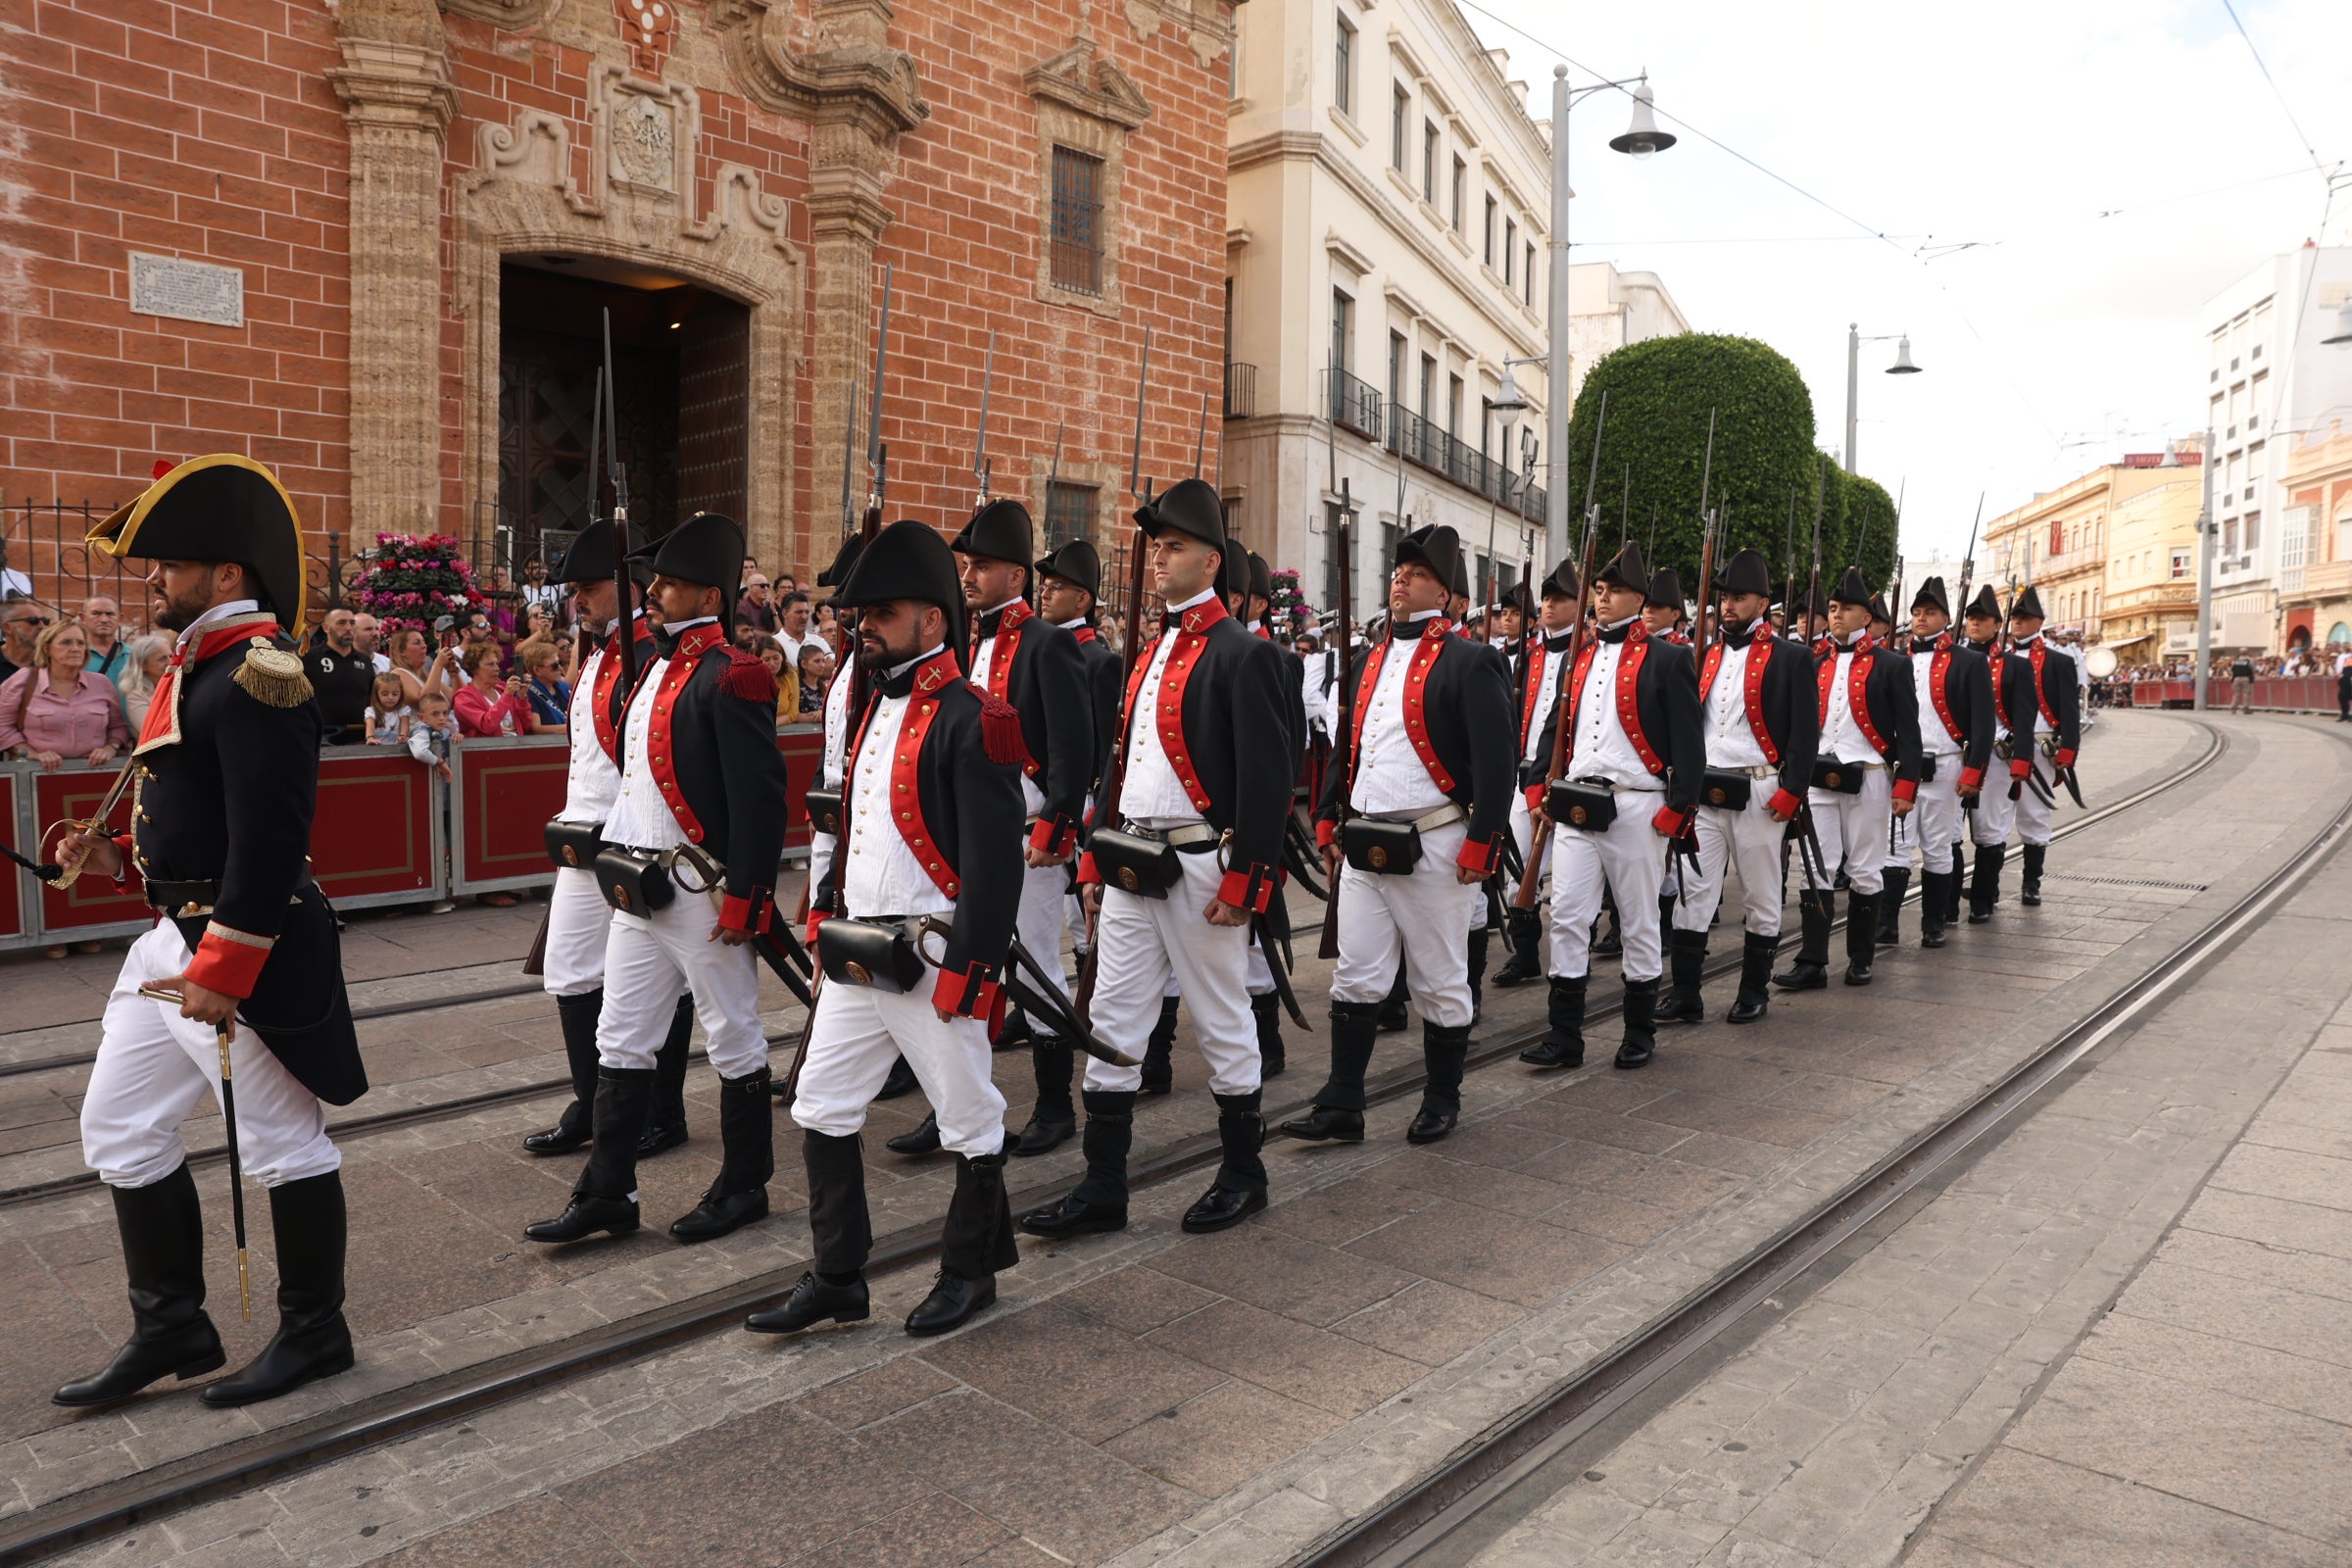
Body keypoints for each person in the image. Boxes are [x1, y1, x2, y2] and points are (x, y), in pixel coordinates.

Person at [55, 454, 364, 1410]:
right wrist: (112, 858)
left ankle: (316, 1330)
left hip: (239, 946)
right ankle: (173, 1324)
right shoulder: (205, 666)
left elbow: (270, 846)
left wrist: (227, 966)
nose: (151, 579)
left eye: (169, 564)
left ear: (226, 574)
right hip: (172, 936)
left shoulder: (261, 676)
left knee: (281, 1144)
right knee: (118, 1127)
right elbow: (202, 817)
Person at [750, 518, 1027, 1338]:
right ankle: (839, 1274)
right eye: (860, 612)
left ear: (933, 620)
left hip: (934, 950)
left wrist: (970, 972)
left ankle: (971, 1271)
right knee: (821, 1104)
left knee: (969, 1118)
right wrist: (828, 917)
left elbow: (994, 865)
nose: (861, 623)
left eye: (883, 611)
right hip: (859, 955)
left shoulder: (976, 716)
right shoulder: (874, 703)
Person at [1018, 478, 1291, 1242]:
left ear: (1211, 563)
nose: (1160, 559)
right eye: (1158, 547)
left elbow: (1269, 783)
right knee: (1113, 1014)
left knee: (1222, 1015)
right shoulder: (1148, 650)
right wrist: (1099, 859)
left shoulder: (1243, 653)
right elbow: (1122, 765)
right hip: (1133, 861)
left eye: (1173, 548)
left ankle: (1245, 1171)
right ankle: (1104, 1185)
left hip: (1204, 867)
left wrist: (1249, 881)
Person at [525, 512, 788, 1249]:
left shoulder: (731, 673)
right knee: (620, 1037)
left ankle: (745, 1184)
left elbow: (761, 801)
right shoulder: (656, 667)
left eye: (668, 584)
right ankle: (609, 1189)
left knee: (733, 1036)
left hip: (703, 893)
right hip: (638, 888)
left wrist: (748, 897)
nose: (654, 594)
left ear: (708, 593)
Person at [1285, 524, 1511, 1146]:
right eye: (1397, 573)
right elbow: (1348, 744)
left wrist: (1482, 843)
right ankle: (1343, 1102)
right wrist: (1329, 814)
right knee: (1356, 974)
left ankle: (1442, 1096)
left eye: (1414, 575)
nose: (1400, 582)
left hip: (1436, 841)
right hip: (1363, 841)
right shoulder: (1369, 657)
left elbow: (1496, 763)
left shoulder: (1474, 659)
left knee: (1439, 978)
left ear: (1446, 591)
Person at [884, 500, 1092, 1159]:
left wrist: (1055, 829)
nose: (969, 576)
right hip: (958, 841)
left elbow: (1072, 748)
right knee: (949, 967)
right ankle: (949, 1103)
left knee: (1033, 972)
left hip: (1026, 836)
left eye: (985, 566)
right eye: (966, 565)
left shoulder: (1048, 643)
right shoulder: (961, 643)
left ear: (1018, 576)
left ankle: (1056, 1106)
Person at [516, 521, 698, 1165]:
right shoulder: (593, 652)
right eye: (575, 591)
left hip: (630, 838)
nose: (578, 601)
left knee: (658, 979)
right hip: (579, 836)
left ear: (629, 587)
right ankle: (592, 1104)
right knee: (568, 971)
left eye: (590, 588)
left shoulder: (651, 653)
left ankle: (663, 1112)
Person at [1517, 541, 1703, 1073]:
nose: (1603, 598)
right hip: (1576, 804)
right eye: (1598, 590)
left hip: (1638, 807)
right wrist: (1537, 790)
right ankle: (1564, 1035)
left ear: (1639, 598)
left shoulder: (1668, 659)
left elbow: (1690, 746)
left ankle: (1639, 1030)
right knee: (1570, 917)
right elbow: (1556, 729)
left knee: (1640, 919)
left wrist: (1678, 810)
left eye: (1615, 590)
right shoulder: (1578, 656)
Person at [1659, 549, 1816, 1027]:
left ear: (1763, 602)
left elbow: (1805, 733)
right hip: (1705, 793)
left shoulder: (1793, 657)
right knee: (1693, 892)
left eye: (1739, 597)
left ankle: (1753, 991)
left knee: (1761, 894)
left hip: (1761, 791)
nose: (1728, 605)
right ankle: (1686, 994)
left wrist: (1792, 791)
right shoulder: (1701, 654)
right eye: (1725, 597)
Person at [1773, 566, 1922, 992]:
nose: (1837, 615)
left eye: (1847, 609)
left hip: (1870, 777)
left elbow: (1907, 733)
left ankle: (1860, 958)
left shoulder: (1892, 665)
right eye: (1833, 608)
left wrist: (1905, 785)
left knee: (1864, 869)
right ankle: (1812, 962)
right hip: (1819, 778)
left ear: (1867, 616)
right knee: (1815, 868)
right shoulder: (1813, 661)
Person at [1886, 577, 1993, 950]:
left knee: (1937, 847)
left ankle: (1934, 924)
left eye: (1929, 613)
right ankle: (1887, 924)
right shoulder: (1895, 659)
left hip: (1945, 764)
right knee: (1894, 847)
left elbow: (1983, 722)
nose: (1920, 618)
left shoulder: (1970, 662)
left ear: (1947, 618)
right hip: (1901, 770)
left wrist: (1974, 771)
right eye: (1916, 613)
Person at [1491, 562, 1581, 992]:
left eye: (1559, 599)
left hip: (1569, 779)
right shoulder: (1526, 657)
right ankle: (1526, 954)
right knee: (1518, 871)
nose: (1548, 605)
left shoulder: (1589, 654)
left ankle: (1576, 951)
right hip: (1524, 775)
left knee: (1569, 878)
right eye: (1545, 599)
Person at [2002, 586, 2080, 908]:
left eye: (2025, 618)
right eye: (2015, 617)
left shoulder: (2057, 661)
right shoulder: (1995, 659)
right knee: (1992, 817)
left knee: (2034, 815)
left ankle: (2031, 882)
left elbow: (2069, 710)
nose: (2018, 623)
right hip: (2000, 747)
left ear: (2040, 622)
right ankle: (1986, 886)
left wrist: (2068, 750)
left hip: (2039, 745)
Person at [1, 616, 133, 770]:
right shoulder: (24, 680)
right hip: (37, 775)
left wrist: (110, 748)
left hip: (96, 773)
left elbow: (118, 727)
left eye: (80, 643)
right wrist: (31, 753)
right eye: (66, 643)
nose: (75, 649)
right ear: (46, 648)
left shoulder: (101, 683)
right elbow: (2, 727)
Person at [305, 608, 374, 743]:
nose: (348, 628)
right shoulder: (310, 658)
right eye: (341, 623)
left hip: (359, 738)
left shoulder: (364, 661)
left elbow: (371, 700)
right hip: (322, 739)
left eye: (352, 623)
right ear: (326, 628)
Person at [451, 644, 534, 738]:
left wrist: (522, 698)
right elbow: (487, 726)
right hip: (485, 751)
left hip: (516, 748)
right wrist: (507, 695)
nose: (497, 669)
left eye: (497, 664)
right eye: (490, 664)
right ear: (474, 669)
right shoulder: (463, 698)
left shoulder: (502, 690)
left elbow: (527, 726)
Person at [118, 633, 172, 735]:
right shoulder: (136, 695)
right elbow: (153, 733)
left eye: (171, 656)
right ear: (143, 665)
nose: (171, 662)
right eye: (162, 659)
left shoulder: (179, 684)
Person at [519, 640, 571, 731]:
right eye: (554, 666)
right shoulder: (529, 692)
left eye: (559, 663)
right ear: (537, 670)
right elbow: (536, 728)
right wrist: (570, 728)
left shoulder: (564, 687)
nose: (560, 668)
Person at [82, 594, 131, 686]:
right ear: (83, 618)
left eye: (110, 614)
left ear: (120, 619)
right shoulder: (76, 654)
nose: (104, 620)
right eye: (96, 613)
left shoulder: (134, 656)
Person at [0, 597, 53, 682]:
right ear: (7, 628)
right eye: (33, 620)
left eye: (45, 621)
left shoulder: (52, 662)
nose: (42, 626)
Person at [363, 671, 412, 747]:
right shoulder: (371, 711)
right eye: (385, 694)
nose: (390, 697)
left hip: (397, 748)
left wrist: (402, 737)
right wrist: (370, 738)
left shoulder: (403, 710)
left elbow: (404, 726)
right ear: (377, 694)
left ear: (400, 694)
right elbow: (370, 728)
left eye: (395, 694)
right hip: (377, 748)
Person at [796, 643, 833, 717]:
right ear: (804, 664)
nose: (822, 665)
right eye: (817, 661)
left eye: (823, 661)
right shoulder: (796, 686)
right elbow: (792, 715)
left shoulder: (824, 687)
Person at [736, 571, 778, 636]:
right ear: (752, 587)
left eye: (767, 585)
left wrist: (774, 610)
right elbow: (746, 631)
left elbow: (780, 631)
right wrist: (769, 635)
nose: (766, 589)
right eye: (762, 586)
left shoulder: (768, 605)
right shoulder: (742, 607)